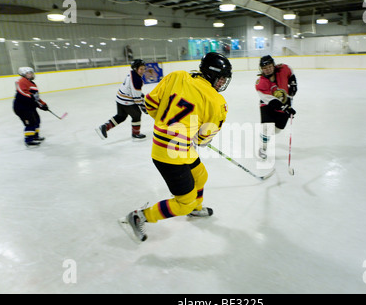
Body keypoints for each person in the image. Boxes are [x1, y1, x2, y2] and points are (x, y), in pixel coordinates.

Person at [119, 52, 232, 243]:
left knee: (201, 176)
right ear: (213, 75)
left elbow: (151, 105)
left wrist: (170, 125)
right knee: (184, 203)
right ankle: (141, 216)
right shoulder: (217, 102)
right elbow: (203, 139)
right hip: (169, 155)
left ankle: (196, 209)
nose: (222, 83)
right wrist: (195, 135)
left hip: (172, 146)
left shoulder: (177, 76)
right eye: (221, 78)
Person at [255, 55, 297, 160]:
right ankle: (262, 148)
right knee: (267, 128)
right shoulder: (261, 82)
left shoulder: (283, 69)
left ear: (273, 65)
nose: (267, 70)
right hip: (267, 104)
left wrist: (293, 83)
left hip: (285, 102)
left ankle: (265, 136)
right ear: (261, 69)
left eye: (269, 66)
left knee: (277, 130)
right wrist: (286, 107)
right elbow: (269, 99)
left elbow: (290, 72)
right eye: (264, 68)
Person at [96, 59, 148, 140]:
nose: (143, 71)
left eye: (144, 68)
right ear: (135, 69)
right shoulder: (137, 80)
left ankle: (105, 127)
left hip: (119, 99)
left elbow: (132, 90)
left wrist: (141, 97)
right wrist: (144, 107)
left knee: (121, 116)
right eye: (141, 69)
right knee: (137, 115)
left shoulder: (131, 73)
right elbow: (137, 99)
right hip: (126, 101)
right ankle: (136, 133)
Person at [13, 67, 49, 147]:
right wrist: (38, 104)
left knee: (37, 120)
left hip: (30, 106)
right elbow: (24, 94)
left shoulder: (31, 83)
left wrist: (43, 104)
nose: (32, 74)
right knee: (30, 123)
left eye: (32, 73)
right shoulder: (21, 81)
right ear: (23, 74)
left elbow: (35, 97)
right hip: (22, 107)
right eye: (29, 73)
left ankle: (35, 136)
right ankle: (29, 140)